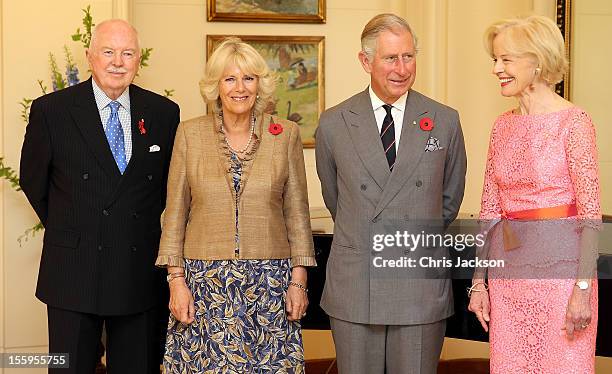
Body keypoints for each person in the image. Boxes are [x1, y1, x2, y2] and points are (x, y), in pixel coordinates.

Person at [19, 19, 180, 373]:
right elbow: (33, 182)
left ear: (139, 61)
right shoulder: (52, 111)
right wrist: (73, 226)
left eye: (127, 53)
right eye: (108, 52)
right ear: (90, 56)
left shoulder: (164, 113)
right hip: (72, 270)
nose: (117, 62)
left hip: (138, 270)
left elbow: (168, 187)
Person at [315, 13, 467, 374]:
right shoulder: (334, 122)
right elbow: (335, 196)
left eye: (409, 56)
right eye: (390, 58)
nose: (402, 68)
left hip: (417, 285)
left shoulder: (445, 120)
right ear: (365, 61)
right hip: (356, 283)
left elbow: (449, 198)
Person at [156, 37, 316, 373]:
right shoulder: (189, 134)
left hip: (270, 285)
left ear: (260, 84)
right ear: (216, 86)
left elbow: (297, 214)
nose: (239, 88)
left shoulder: (285, 134)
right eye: (230, 78)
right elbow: (175, 214)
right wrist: (176, 281)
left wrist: (298, 282)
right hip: (203, 284)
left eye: (248, 78)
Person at [468, 15, 601, 374]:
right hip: (508, 279)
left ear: (538, 60)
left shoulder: (575, 123)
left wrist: (583, 289)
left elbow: (591, 217)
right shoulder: (502, 126)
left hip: (562, 280)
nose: (497, 68)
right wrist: (478, 283)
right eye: (494, 59)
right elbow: (489, 211)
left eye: (506, 59)